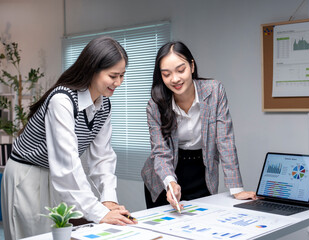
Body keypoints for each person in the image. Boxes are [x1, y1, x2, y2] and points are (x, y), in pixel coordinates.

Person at [1, 36, 136, 240]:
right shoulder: (62, 101)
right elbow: (67, 166)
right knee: (34, 236)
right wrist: (100, 214)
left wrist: (109, 200)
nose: (119, 83)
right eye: (113, 75)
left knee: (60, 235)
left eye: (122, 75)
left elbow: (103, 157)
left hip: (55, 174)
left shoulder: (104, 105)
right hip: (28, 175)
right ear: (93, 70)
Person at [141, 41, 256, 210]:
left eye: (181, 70)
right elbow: (160, 151)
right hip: (164, 180)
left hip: (202, 171)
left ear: (192, 66)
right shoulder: (155, 105)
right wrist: (170, 183)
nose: (175, 79)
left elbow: (225, 141)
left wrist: (237, 189)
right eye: (166, 74)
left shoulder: (214, 91)